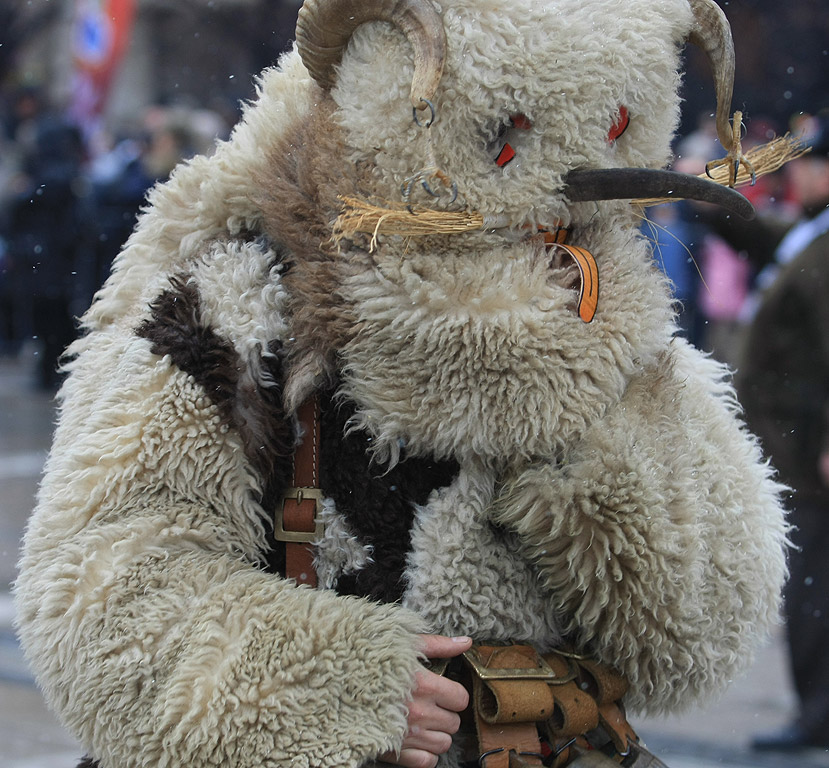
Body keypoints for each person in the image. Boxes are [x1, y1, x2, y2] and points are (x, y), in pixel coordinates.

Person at [736, 112, 829, 751]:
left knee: (814, 587)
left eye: (808, 161)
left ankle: (818, 714)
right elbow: (753, 233)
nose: (798, 173)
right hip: (793, 440)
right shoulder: (811, 234)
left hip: (808, 447)